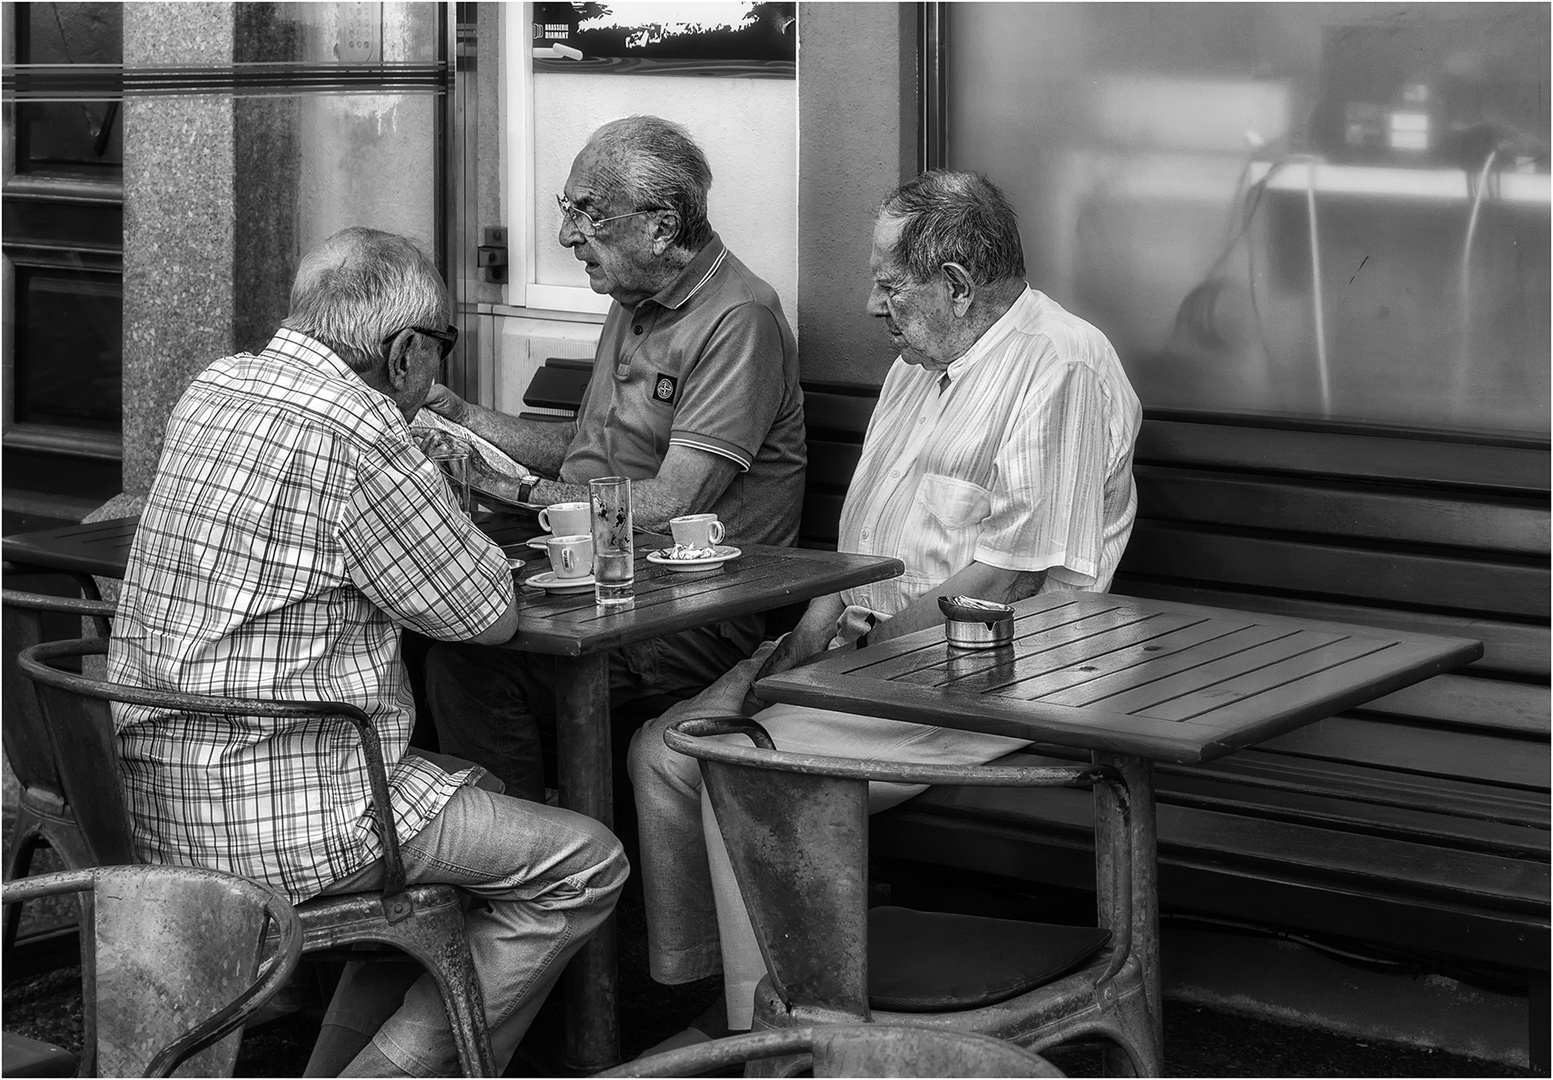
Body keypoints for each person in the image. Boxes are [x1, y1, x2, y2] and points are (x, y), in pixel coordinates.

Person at [627, 170, 1143, 1043]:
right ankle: (741, 998)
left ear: (956, 286)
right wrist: (802, 644)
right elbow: (866, 549)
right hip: (871, 645)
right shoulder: (926, 354)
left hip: (993, 672)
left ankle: (786, 1038)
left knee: (744, 773)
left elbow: (1009, 581)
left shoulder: (1059, 366)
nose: (870, 305)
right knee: (662, 752)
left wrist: (840, 664)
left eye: (888, 284)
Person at [105, 227, 628, 1078]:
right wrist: (453, 494)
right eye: (442, 349)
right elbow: (484, 611)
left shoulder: (217, 385)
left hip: (153, 785)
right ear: (404, 350)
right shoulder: (364, 433)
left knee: (477, 802)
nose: (437, 375)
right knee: (584, 863)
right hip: (279, 814)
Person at [420, 114, 806, 800]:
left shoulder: (737, 319)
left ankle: (540, 869)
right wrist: (463, 419)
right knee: (419, 624)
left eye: (586, 214)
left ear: (660, 224)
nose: (568, 235)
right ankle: (480, 848)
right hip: (593, 573)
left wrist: (511, 489)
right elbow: (587, 450)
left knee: (474, 665)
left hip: (685, 609)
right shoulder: (634, 297)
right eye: (566, 210)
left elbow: (669, 504)